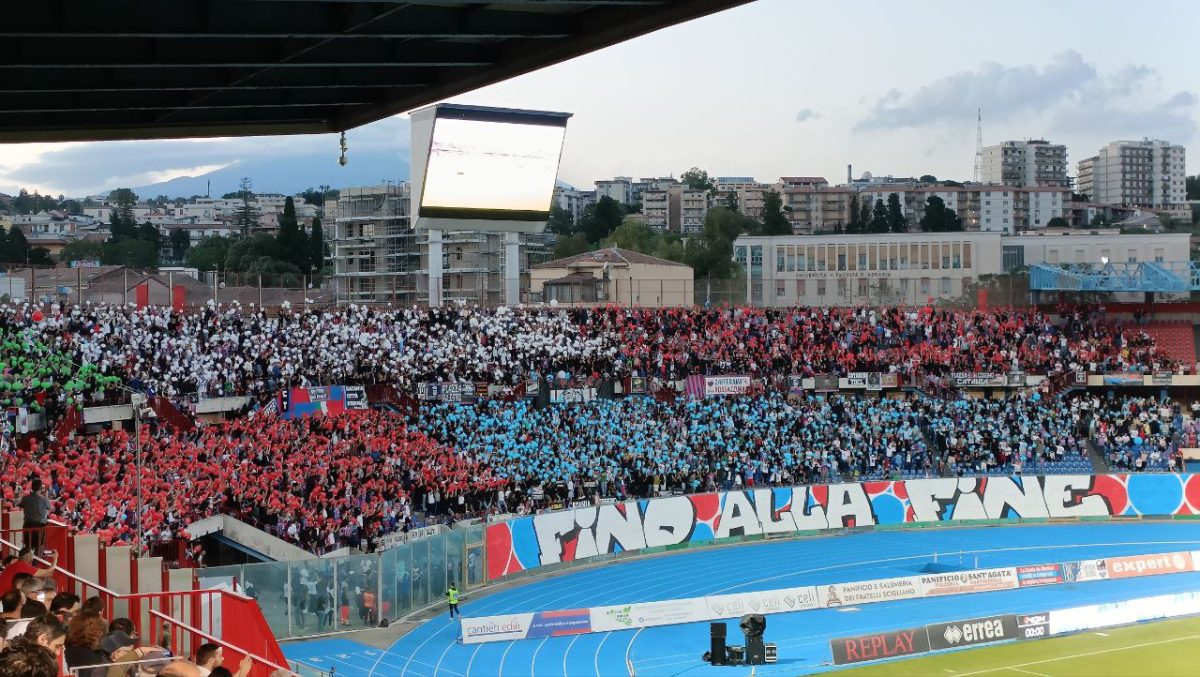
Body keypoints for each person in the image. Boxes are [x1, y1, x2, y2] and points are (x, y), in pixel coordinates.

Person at [19, 480, 51, 555]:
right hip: (40, 527)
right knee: (39, 547)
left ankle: (26, 563)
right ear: (40, 488)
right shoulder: (44, 499)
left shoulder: (25, 499)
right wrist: (46, 496)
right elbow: (49, 507)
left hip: (27, 525)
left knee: (27, 547)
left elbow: (21, 505)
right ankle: (35, 564)